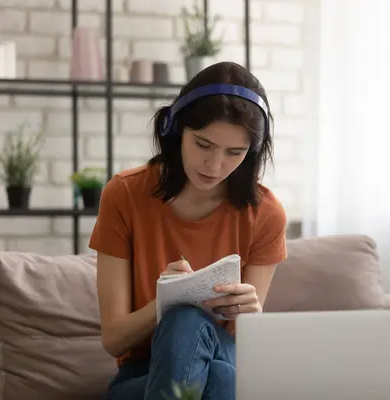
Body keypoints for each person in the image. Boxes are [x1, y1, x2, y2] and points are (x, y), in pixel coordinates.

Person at [89, 61, 288, 400]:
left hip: (226, 353)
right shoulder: (124, 195)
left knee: (208, 350)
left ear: (251, 153)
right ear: (175, 129)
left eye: (234, 153)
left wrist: (253, 315)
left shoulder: (265, 214)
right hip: (142, 373)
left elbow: (248, 346)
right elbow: (114, 339)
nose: (215, 166)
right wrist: (166, 301)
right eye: (203, 145)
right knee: (215, 374)